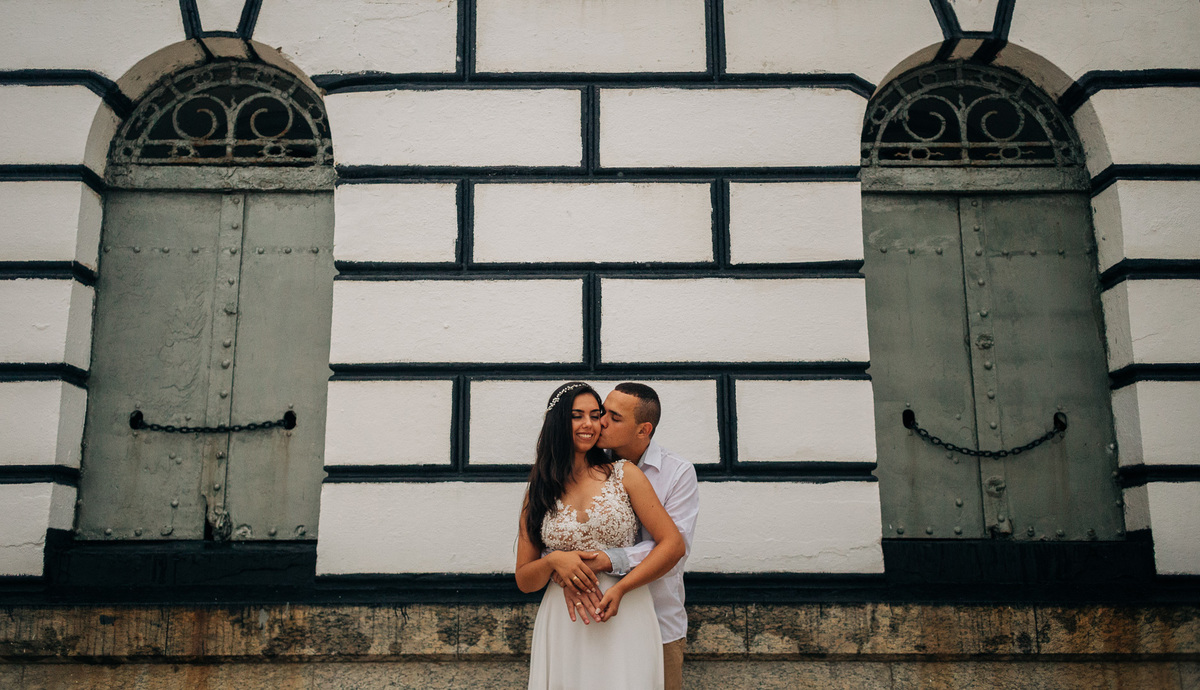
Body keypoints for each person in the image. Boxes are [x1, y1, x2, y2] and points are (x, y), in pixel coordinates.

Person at [517, 382, 686, 690]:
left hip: (626, 610)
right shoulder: (538, 491)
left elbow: (673, 545)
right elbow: (525, 580)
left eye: (596, 415)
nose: (590, 424)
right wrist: (555, 561)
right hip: (564, 620)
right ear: (558, 422)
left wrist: (621, 589)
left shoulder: (624, 474)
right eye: (577, 415)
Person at [558, 383, 700, 690]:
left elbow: (676, 549)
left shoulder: (677, 473)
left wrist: (610, 560)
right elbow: (557, 533)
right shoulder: (583, 466)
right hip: (590, 620)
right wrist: (561, 567)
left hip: (659, 620)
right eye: (602, 412)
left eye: (614, 417)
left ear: (643, 430)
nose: (601, 422)